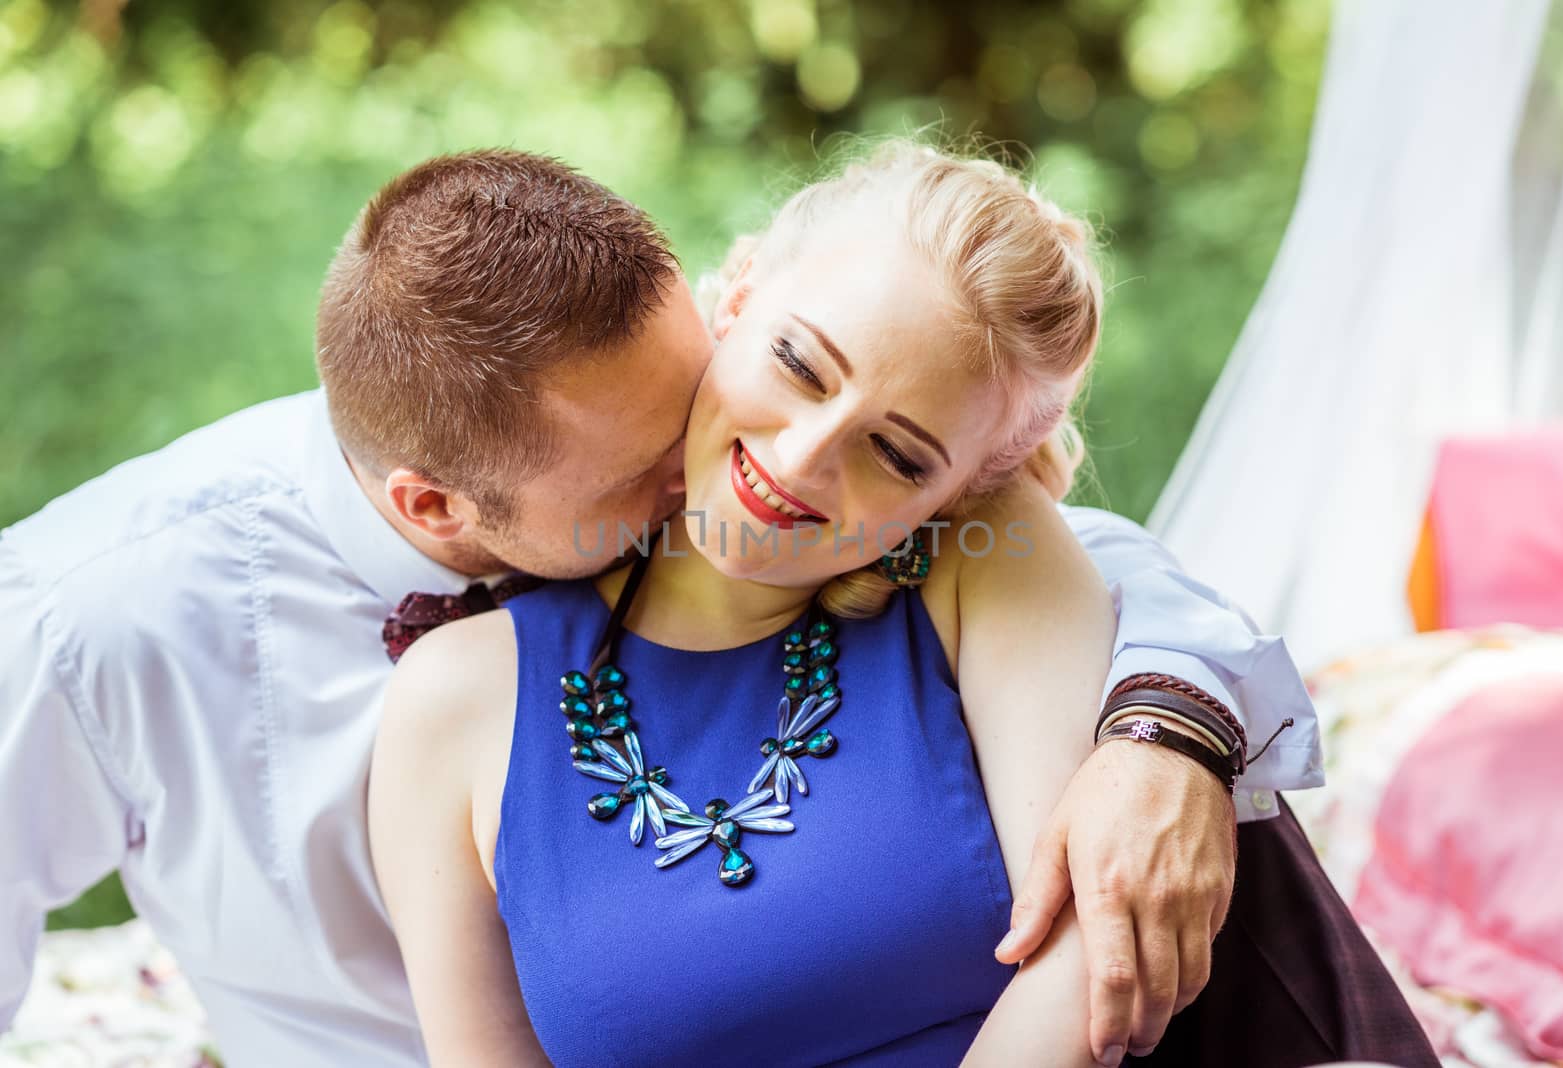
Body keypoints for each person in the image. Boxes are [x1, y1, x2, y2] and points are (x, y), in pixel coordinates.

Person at [0, 147, 1333, 1067]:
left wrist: (1171, 724)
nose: (764, 477)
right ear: (436, 514)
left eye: (700, 385)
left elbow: (1069, 549)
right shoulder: (96, 618)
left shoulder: (946, 531)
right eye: (652, 480)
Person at [371, 143, 1437, 1066]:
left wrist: (1174, 729)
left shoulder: (990, 563)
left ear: (963, 489)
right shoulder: (455, 700)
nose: (800, 459)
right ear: (734, 301)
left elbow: (1083, 963)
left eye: (895, 452)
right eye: (797, 363)